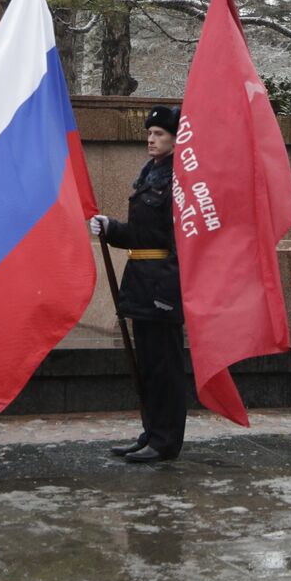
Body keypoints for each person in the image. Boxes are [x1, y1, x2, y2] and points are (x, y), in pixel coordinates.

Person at [91, 106, 188, 464]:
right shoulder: (152, 173)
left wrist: (168, 293)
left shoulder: (181, 180)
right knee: (149, 366)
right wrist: (111, 228)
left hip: (162, 286)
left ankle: (165, 441)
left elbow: (182, 243)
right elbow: (141, 235)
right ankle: (151, 432)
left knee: (165, 369)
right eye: (150, 133)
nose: (151, 138)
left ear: (177, 139)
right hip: (142, 282)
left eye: (160, 133)